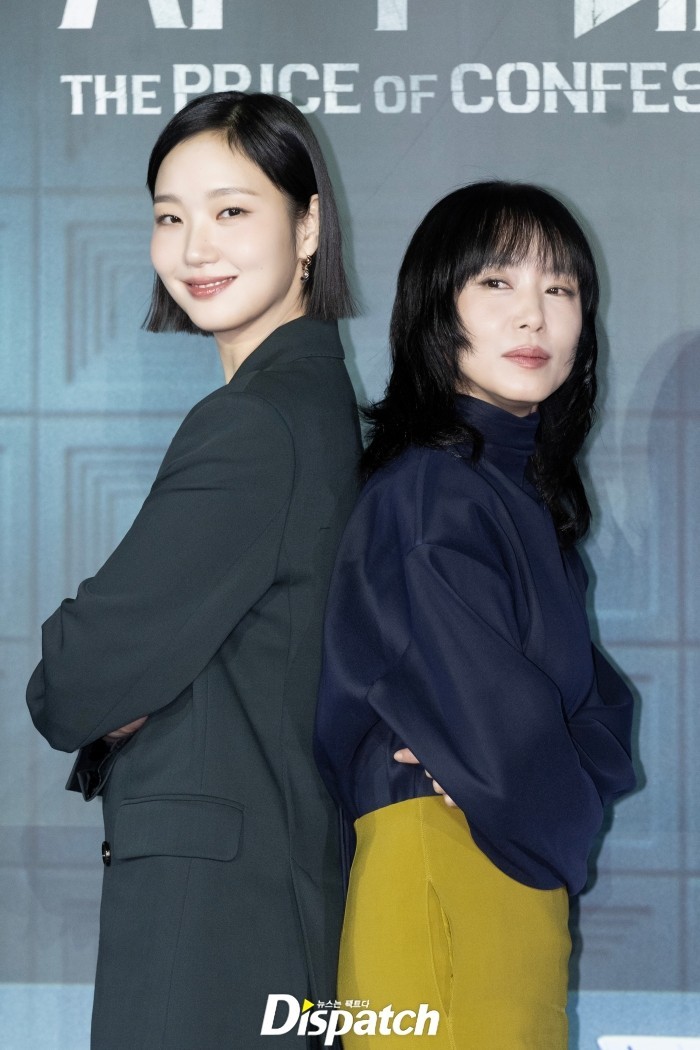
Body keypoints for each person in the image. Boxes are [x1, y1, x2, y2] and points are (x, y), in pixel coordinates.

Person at [27, 91, 361, 1049]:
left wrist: (129, 688)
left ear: (308, 227)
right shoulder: (310, 401)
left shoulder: (254, 425)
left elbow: (72, 678)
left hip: (216, 930)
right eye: (169, 218)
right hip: (263, 905)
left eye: (231, 210)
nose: (193, 247)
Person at [314, 182, 636, 1048]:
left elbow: (597, 716)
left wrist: (541, 768)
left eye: (560, 288)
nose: (533, 314)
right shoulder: (432, 488)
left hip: (504, 871)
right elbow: (501, 729)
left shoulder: (517, 497)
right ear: (436, 306)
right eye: (497, 282)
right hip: (445, 868)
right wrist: (538, 773)